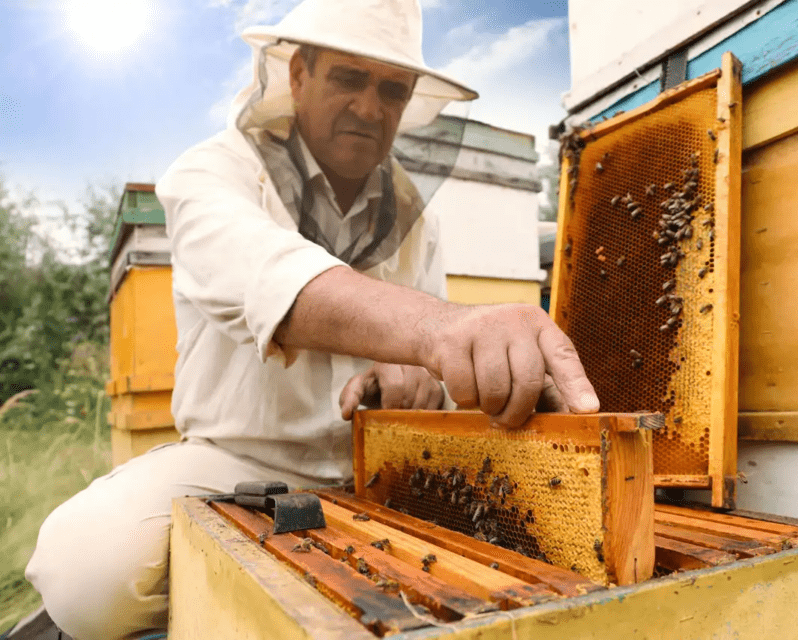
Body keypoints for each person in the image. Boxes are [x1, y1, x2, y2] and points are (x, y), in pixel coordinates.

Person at [25, 0, 599, 638]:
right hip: (235, 463)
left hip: (381, 466)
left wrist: (413, 381)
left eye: (392, 89)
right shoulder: (213, 173)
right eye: (349, 79)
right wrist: (438, 331)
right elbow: (272, 279)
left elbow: (433, 367)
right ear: (297, 74)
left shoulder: (416, 220)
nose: (371, 108)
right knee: (86, 573)